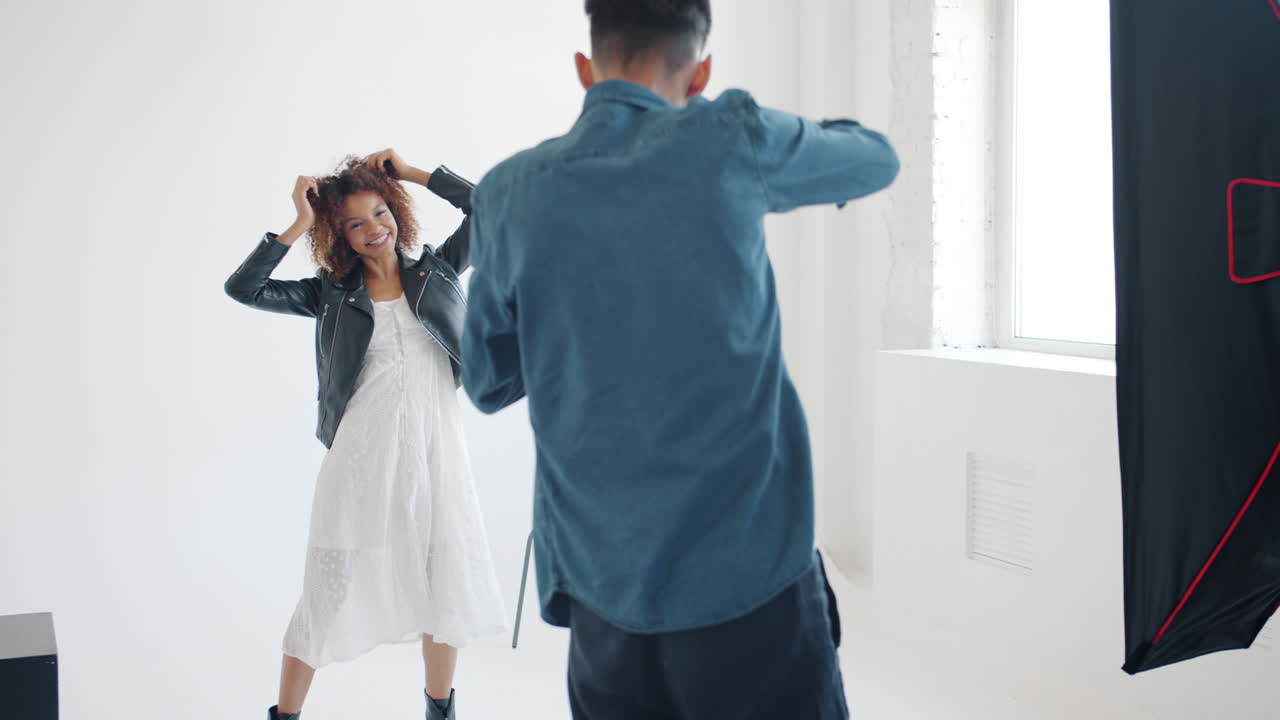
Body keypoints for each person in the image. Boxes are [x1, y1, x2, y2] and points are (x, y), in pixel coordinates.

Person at [460, 1, 900, 718]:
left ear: (585, 70)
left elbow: (485, 381)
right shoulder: (731, 139)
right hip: (749, 583)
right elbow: (875, 158)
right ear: (701, 73)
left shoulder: (508, 191)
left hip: (601, 593)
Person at [225, 150, 507, 720]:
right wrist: (299, 222)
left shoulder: (438, 270)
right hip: (361, 461)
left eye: (381, 212)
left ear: (396, 211)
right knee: (325, 594)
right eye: (355, 222)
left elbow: (490, 207)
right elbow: (245, 288)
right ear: (340, 234)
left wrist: (413, 173)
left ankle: (439, 710)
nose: (374, 228)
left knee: (444, 585)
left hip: (437, 455)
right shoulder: (328, 294)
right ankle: (285, 715)